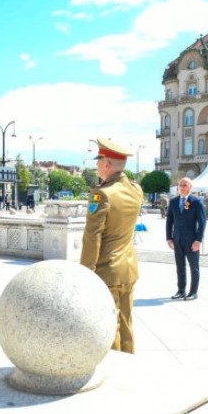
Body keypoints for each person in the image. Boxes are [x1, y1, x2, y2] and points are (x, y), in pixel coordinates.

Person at [80, 137, 143, 354]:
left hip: (107, 271)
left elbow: (92, 237)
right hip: (128, 269)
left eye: (98, 160)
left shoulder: (102, 194)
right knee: (126, 323)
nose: (96, 164)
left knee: (110, 326)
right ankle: (130, 365)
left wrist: (86, 273)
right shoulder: (136, 190)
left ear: (107, 164)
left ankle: (116, 371)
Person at [166, 177, 206, 301]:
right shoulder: (173, 202)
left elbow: (202, 222)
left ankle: (193, 292)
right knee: (180, 267)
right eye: (180, 185)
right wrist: (169, 237)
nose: (182, 187)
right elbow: (169, 221)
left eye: (185, 185)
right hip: (177, 240)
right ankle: (181, 290)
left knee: (194, 267)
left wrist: (198, 240)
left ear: (190, 187)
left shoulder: (196, 202)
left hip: (191, 241)